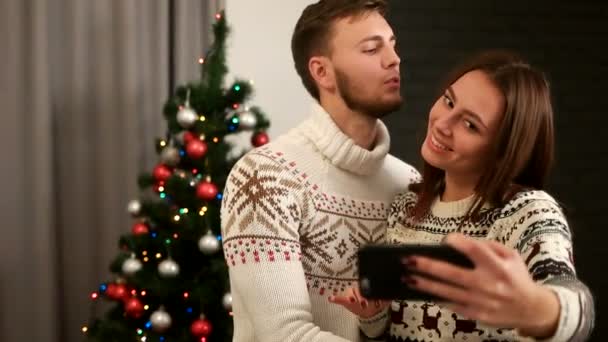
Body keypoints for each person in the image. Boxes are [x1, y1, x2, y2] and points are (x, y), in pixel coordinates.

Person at [329, 50, 595, 341]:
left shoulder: (528, 212)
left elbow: (576, 305)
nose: (442, 124)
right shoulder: (405, 210)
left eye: (470, 125)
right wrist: (373, 316)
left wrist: (536, 308)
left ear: (502, 151)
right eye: (448, 100)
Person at [220, 1, 419, 341]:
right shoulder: (264, 177)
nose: (393, 59)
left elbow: (408, 324)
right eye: (372, 49)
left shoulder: (411, 185)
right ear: (322, 72)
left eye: (392, 44)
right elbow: (283, 335)